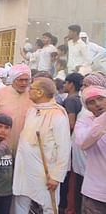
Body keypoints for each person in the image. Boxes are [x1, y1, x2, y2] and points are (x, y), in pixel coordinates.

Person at [12, 77, 71, 213]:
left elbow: (64, 149)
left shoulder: (58, 115)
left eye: (31, 88)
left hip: (46, 172)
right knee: (21, 201)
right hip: (24, 169)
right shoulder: (32, 110)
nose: (28, 91)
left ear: (40, 93)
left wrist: (56, 177)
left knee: (49, 206)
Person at [0, 64, 33, 154]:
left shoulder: (32, 95)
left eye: (27, 80)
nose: (24, 83)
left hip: (25, 149)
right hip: (1, 148)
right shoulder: (0, 94)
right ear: (13, 79)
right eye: (21, 80)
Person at [75, 86, 106, 213]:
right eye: (91, 102)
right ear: (87, 107)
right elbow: (83, 142)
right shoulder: (84, 122)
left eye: (100, 99)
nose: (98, 104)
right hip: (95, 192)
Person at [59, 73, 84, 213]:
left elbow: (71, 123)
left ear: (71, 84)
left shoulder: (70, 101)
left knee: (67, 178)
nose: (64, 85)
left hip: (68, 143)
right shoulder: (79, 100)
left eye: (66, 83)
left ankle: (64, 206)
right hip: (75, 144)